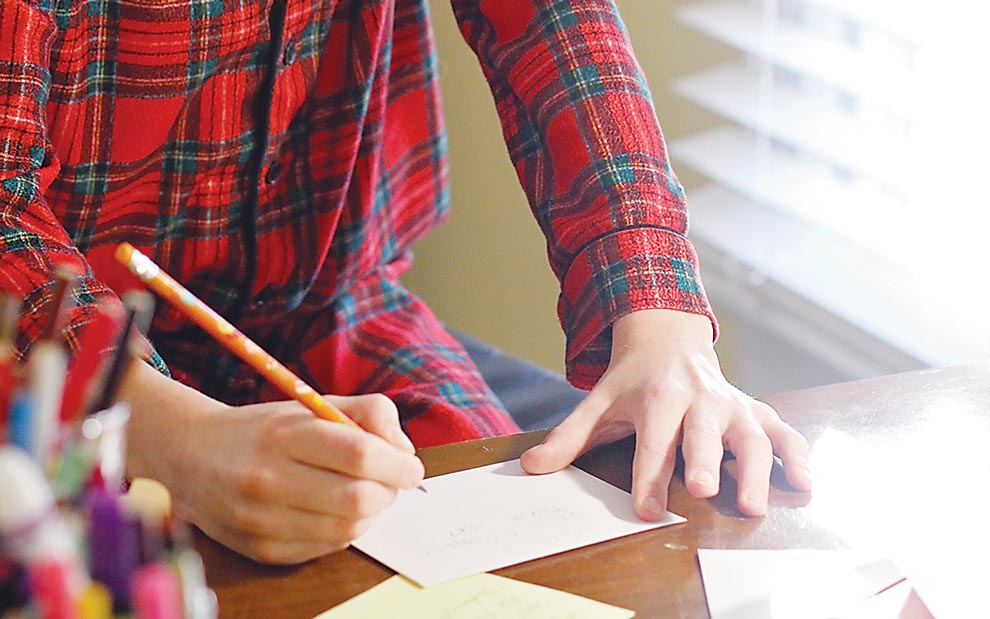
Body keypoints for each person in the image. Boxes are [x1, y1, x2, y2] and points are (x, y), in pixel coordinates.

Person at [0, 0, 811, 564]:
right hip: (58, 372)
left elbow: (554, 21)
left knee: (523, 539)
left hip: (329, 302)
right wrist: (167, 436)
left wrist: (661, 314)